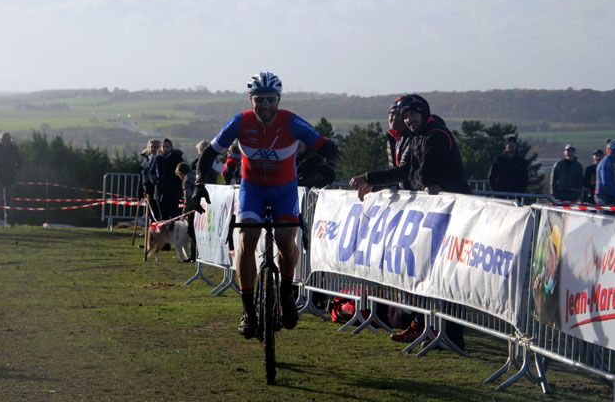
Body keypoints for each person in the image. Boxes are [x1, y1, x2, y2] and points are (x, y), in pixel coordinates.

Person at [192, 72, 339, 339]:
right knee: (247, 239)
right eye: (259, 99)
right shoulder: (240, 122)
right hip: (253, 190)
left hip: (284, 191)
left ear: (279, 99)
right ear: (251, 99)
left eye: (271, 99)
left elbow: (329, 148)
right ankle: (248, 311)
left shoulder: (291, 122)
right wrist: (199, 183)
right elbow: (210, 152)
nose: (265, 105)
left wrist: (329, 169)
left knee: (285, 238)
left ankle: (285, 294)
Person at [349, 94, 468, 350]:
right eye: (405, 116)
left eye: (413, 114)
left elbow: (423, 174)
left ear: (424, 113)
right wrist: (370, 178)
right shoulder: (416, 138)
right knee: (424, 271)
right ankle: (425, 327)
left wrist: (421, 180)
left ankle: (450, 336)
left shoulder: (435, 135)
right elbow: (408, 174)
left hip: (453, 214)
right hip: (435, 214)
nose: (409, 119)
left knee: (446, 275)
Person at [0, 132, 22, 227]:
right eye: (7, 139)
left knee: (8, 201)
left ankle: (9, 221)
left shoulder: (13, 148)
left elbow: (20, 161)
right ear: (2, 139)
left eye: (9, 139)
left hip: (10, 177)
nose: (9, 141)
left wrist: (17, 170)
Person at [153, 138, 185, 220]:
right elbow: (151, 172)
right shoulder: (157, 159)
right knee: (163, 215)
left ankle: (173, 232)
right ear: (160, 148)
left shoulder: (177, 158)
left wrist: (174, 183)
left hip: (173, 192)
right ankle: (164, 232)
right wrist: (155, 181)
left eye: (167, 147)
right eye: (163, 147)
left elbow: (182, 172)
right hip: (160, 192)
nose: (165, 149)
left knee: (173, 214)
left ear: (171, 147)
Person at [175, 162, 197, 261]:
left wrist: (184, 213)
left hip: (193, 209)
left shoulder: (186, 181)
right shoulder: (197, 175)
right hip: (203, 207)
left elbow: (188, 199)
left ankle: (194, 256)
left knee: (191, 231)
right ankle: (195, 255)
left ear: (180, 173)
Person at [140, 139, 161, 221]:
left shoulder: (161, 159)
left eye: (156, 146)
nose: (154, 148)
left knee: (158, 213)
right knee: (151, 213)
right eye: (152, 146)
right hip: (148, 190)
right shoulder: (145, 161)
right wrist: (140, 192)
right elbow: (142, 176)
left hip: (158, 190)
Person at [595, 141, 615, 208]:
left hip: (609, 195)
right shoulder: (607, 162)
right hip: (604, 196)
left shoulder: (612, 163)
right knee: (606, 217)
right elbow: (606, 182)